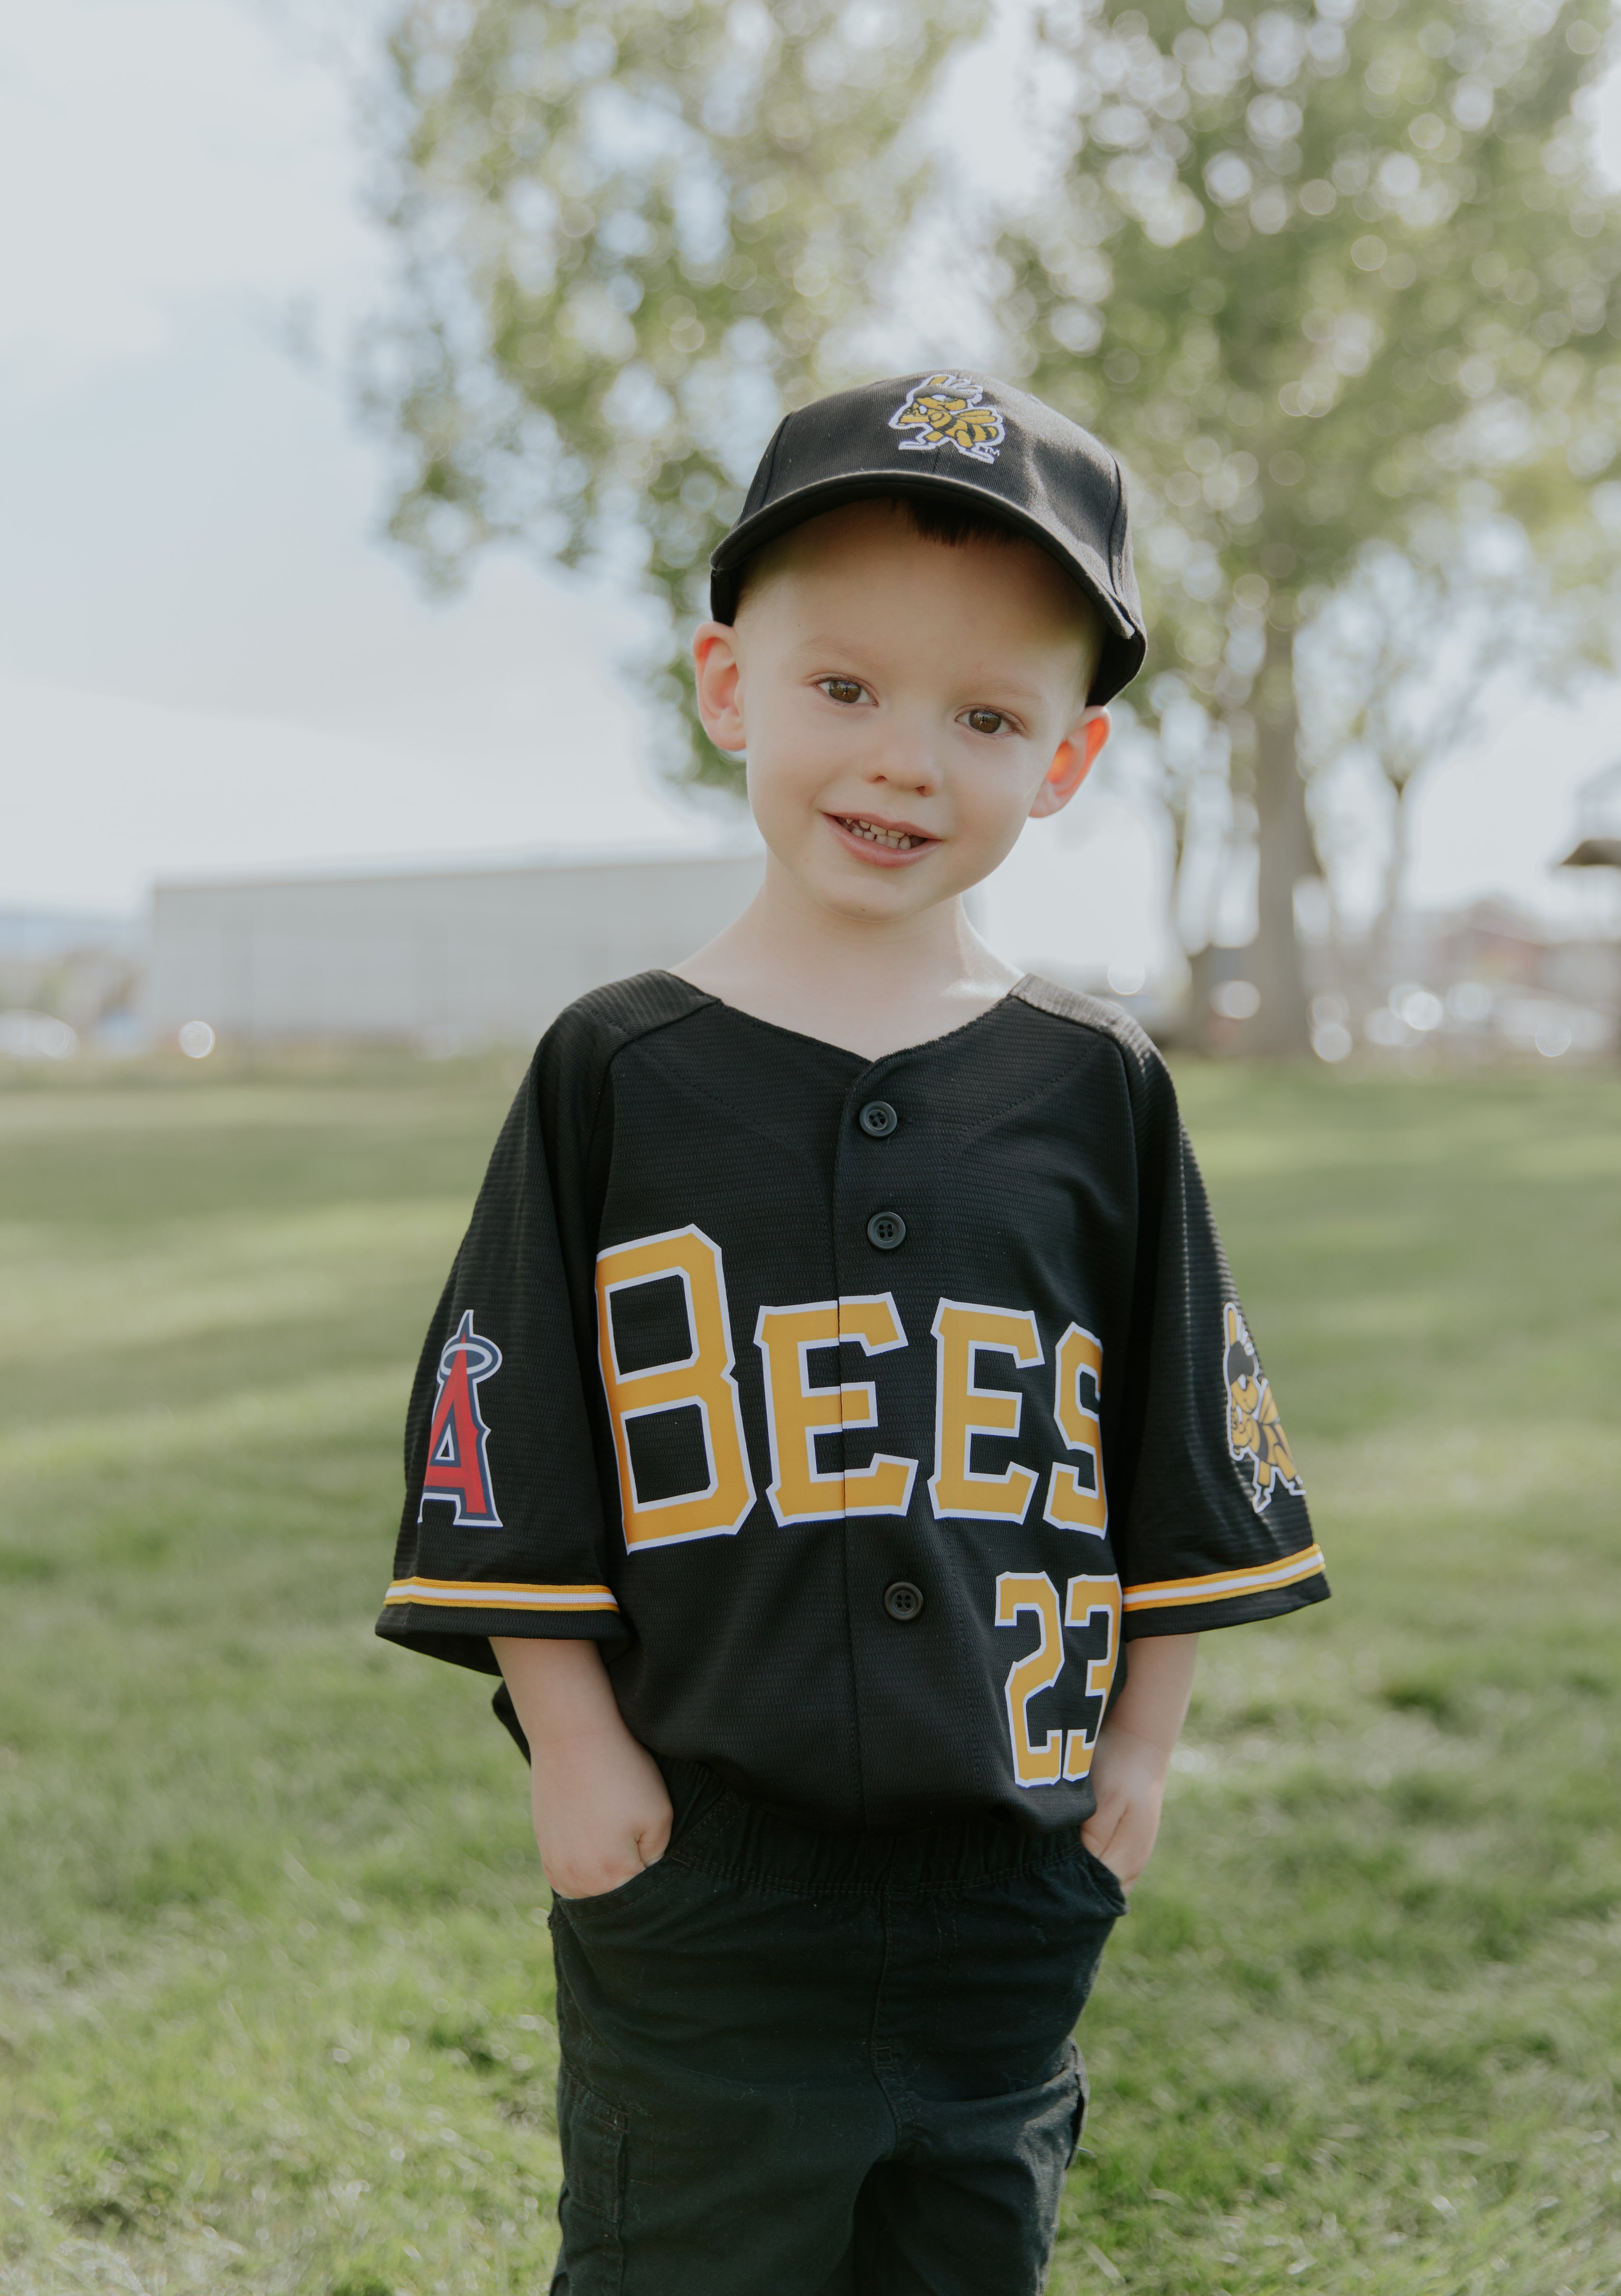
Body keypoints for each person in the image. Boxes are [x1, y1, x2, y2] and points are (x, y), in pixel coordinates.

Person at [378, 370, 1328, 2296]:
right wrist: (572, 1745)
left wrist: (1136, 1749)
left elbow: (1171, 1445)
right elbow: (509, 1438)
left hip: (1009, 1863)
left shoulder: (1095, 1088)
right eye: (846, 689)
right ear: (728, 686)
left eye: (983, 715)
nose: (905, 759)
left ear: (1062, 762)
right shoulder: (615, 1070)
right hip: (700, 1868)